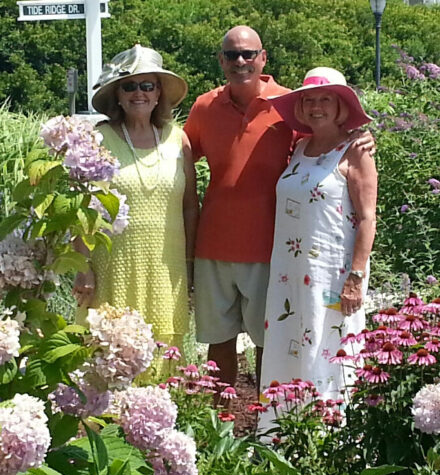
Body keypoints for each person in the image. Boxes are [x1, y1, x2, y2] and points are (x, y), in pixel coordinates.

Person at [184, 26, 293, 391]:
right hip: (213, 245)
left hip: (270, 247)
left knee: (269, 343)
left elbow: (324, 148)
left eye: (248, 54)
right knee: (219, 343)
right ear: (221, 60)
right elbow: (176, 157)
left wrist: (359, 139)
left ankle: (267, 426)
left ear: (263, 58)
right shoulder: (205, 107)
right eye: (232, 55)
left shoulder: (290, 106)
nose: (241, 62)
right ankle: (220, 428)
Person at [260, 67, 378, 403]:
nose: (317, 106)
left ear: (341, 106)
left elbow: (368, 218)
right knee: (289, 343)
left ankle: (330, 435)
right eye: (309, 99)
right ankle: (284, 432)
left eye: (326, 99)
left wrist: (356, 277)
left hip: (334, 276)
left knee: (329, 348)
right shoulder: (300, 149)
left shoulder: (355, 151)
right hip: (291, 276)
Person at [75, 45, 199, 351]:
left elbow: (189, 208)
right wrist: (82, 266)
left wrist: (191, 264)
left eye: (147, 86)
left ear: (159, 94)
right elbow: (80, 208)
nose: (138, 93)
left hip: (166, 267)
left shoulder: (178, 138)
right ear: (117, 94)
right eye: (129, 86)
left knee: (163, 352)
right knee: (110, 348)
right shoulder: (98, 139)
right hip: (112, 264)